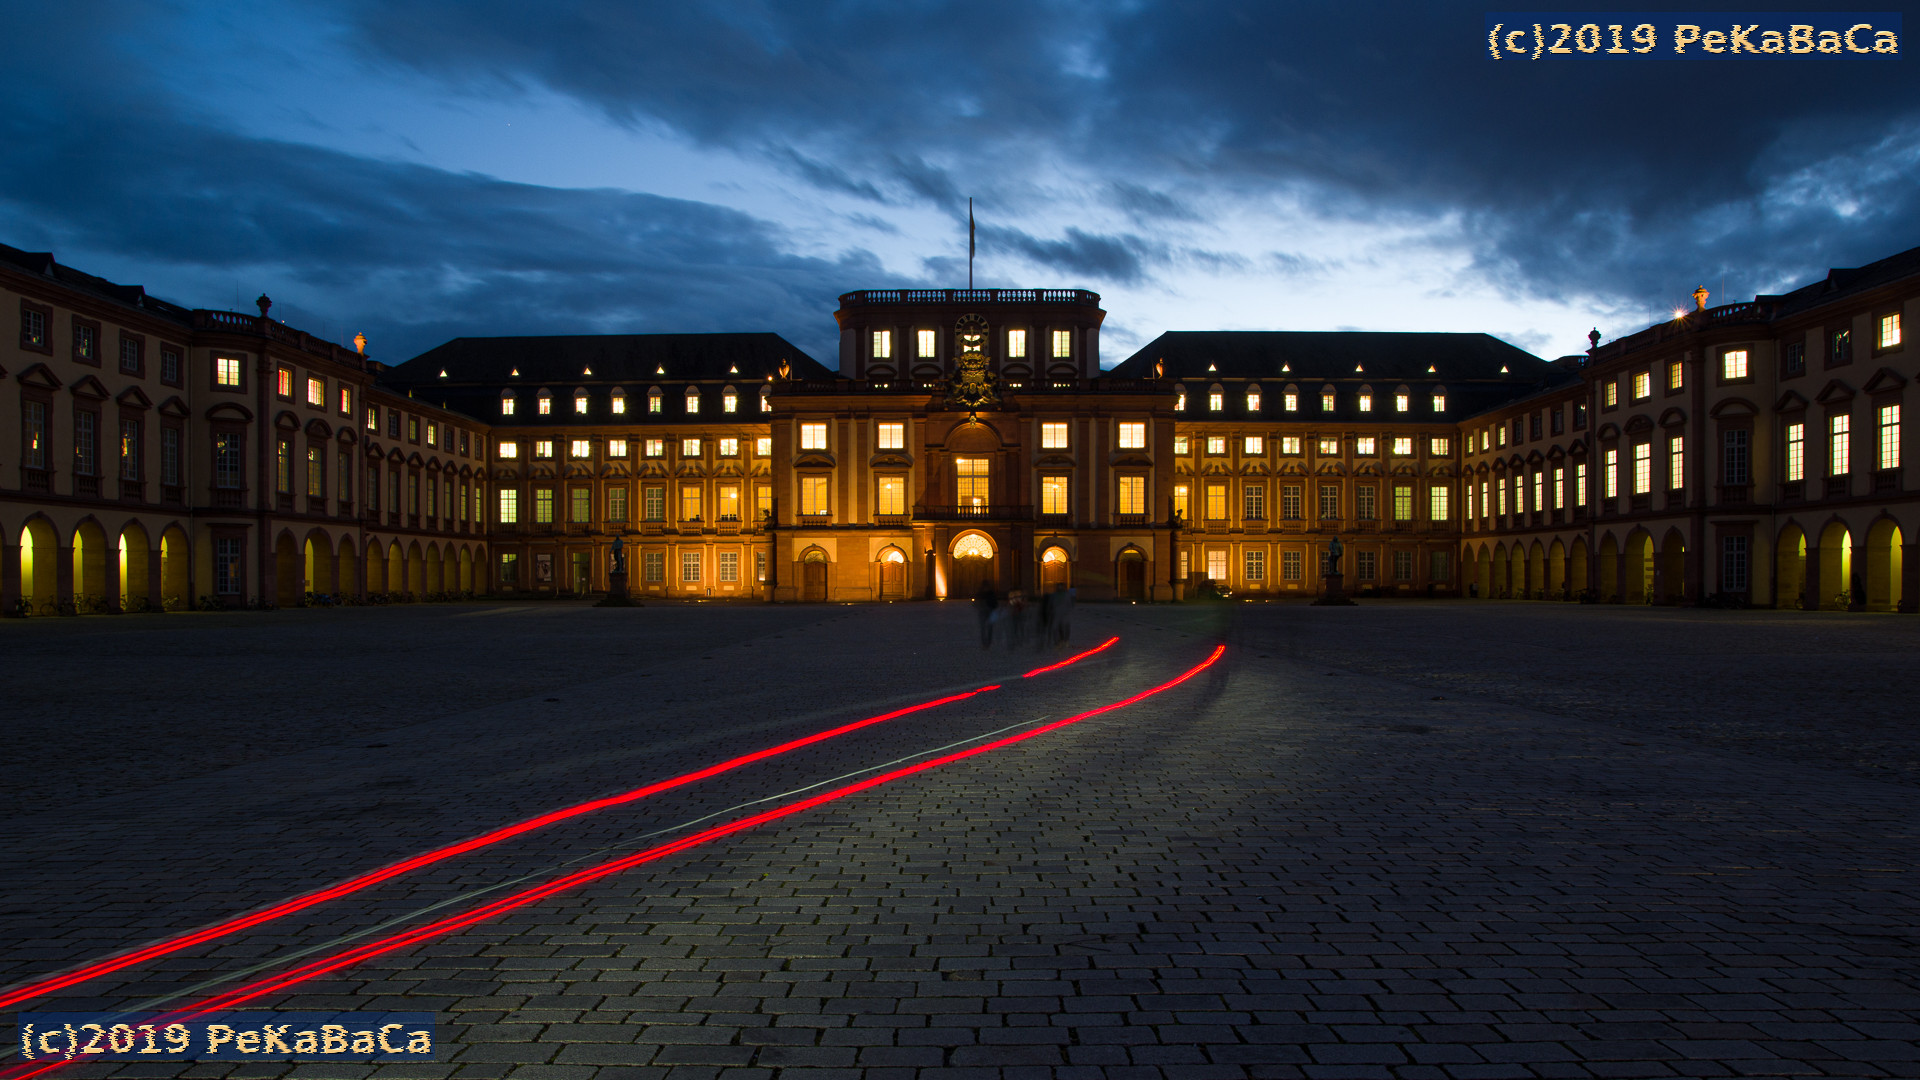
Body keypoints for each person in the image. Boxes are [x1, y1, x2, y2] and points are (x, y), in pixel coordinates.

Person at [973, 581, 999, 647]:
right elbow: (976, 602)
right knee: (984, 628)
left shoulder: (988, 593)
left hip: (988, 611)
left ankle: (987, 642)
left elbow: (995, 603)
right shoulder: (983, 593)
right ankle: (985, 642)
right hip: (984, 612)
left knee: (988, 628)